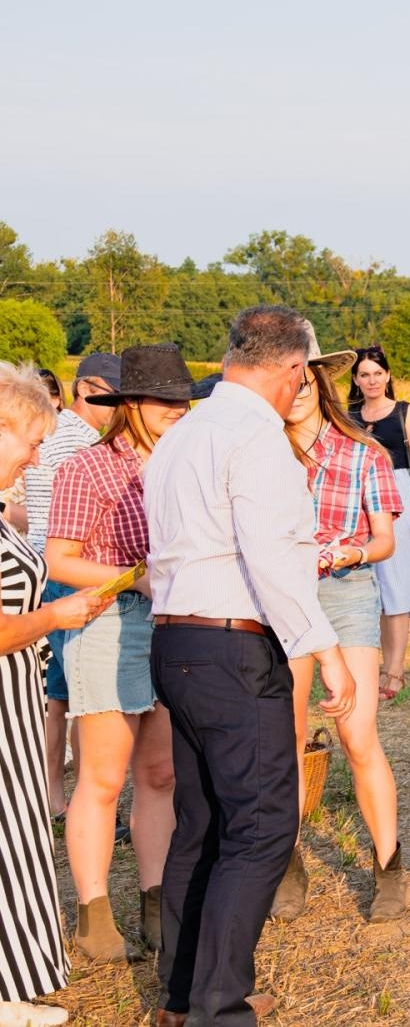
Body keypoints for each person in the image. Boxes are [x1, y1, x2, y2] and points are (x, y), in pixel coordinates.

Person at [144, 306, 356, 1025]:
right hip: (234, 646)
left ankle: (182, 993)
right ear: (296, 370)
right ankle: (219, 1004)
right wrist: (324, 648)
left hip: (174, 641)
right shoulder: (257, 439)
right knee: (264, 825)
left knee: (200, 824)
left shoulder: (180, 434)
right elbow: (274, 557)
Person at [45, 345, 192, 963]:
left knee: (160, 775)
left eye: (183, 401)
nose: (177, 411)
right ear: (130, 403)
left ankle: (156, 902)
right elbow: (59, 559)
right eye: (164, 400)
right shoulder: (88, 467)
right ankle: (94, 912)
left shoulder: (188, 463)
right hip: (109, 623)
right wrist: (133, 578)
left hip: (175, 623)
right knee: (103, 779)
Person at [270, 340, 406, 923]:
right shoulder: (261, 452)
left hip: (345, 593)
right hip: (279, 599)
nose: (297, 392)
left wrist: (345, 553)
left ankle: (388, 866)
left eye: (306, 381)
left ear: (322, 384)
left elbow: (384, 540)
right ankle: (289, 861)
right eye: (288, 381)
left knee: (357, 735)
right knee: (289, 739)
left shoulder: (364, 453)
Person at [0, 361, 110, 1027]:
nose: (38, 456)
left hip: (15, 696)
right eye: (30, 441)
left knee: (14, 834)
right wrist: (54, 618)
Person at [24, 354, 119, 824]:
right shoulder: (82, 440)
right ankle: (87, 802)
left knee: (59, 695)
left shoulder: (55, 430)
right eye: (110, 393)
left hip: (44, 564)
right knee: (86, 695)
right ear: (84, 388)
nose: (117, 403)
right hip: (71, 568)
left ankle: (54, 799)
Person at [347, 345, 410, 700]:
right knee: (377, 588)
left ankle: (395, 671)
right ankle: (382, 666)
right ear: (355, 379)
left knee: (396, 582)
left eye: (377, 373)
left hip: (397, 493)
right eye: (364, 374)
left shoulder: (403, 412)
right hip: (359, 498)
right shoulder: (349, 414)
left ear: (387, 376)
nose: (372, 380)